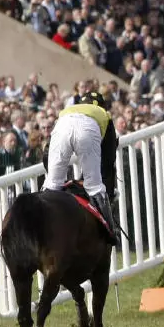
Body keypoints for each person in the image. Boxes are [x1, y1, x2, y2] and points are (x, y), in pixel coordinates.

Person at [42, 90, 120, 246]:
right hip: (87, 129)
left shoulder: (69, 110)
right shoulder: (104, 115)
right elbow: (108, 159)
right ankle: (110, 232)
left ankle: (41, 227)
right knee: (95, 187)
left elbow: (46, 155)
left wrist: (59, 179)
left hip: (62, 126)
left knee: (52, 184)